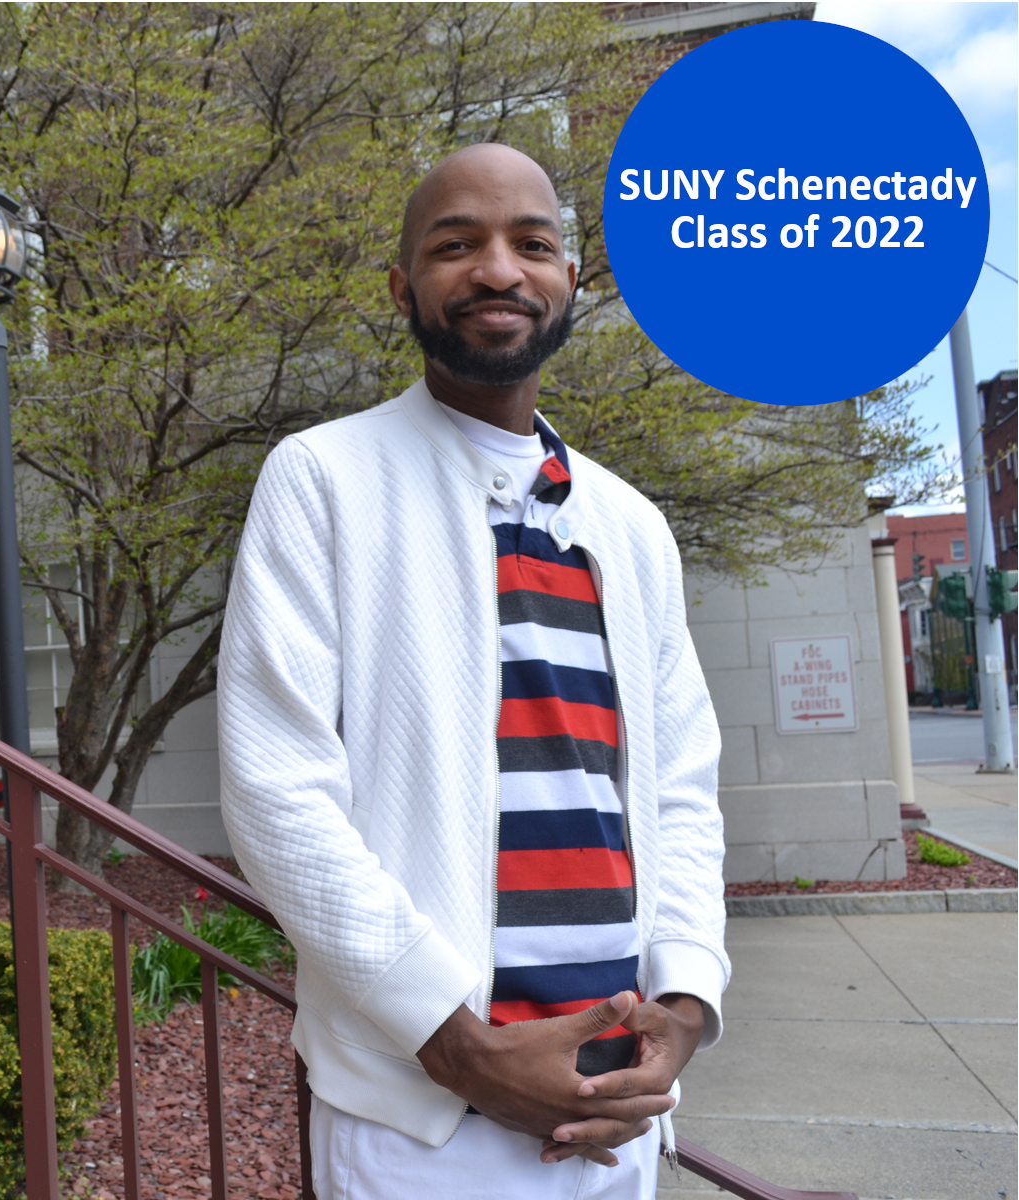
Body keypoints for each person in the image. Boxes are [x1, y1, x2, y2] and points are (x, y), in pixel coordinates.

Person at [217, 142, 728, 1199]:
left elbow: (681, 791)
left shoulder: (631, 527)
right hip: (422, 1120)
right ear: (404, 287)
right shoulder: (322, 480)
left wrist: (685, 1004)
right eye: (457, 246)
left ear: (569, 282)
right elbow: (277, 795)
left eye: (531, 244)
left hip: (615, 1105)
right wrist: (457, 1048)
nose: (498, 270)